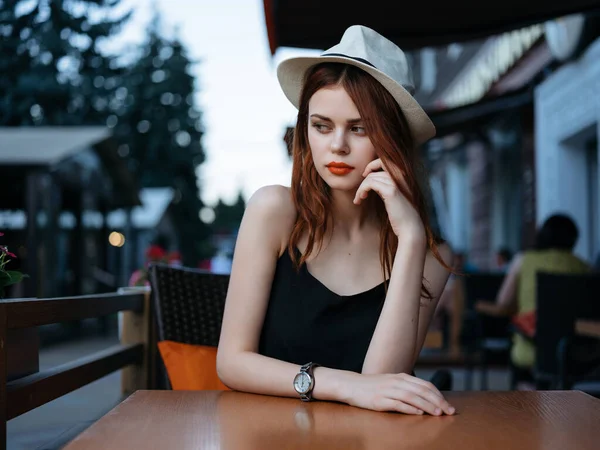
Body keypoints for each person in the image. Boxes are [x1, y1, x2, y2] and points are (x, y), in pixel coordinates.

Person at [216, 25, 455, 416]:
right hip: (265, 434)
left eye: (359, 128)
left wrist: (410, 238)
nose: (337, 145)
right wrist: (344, 384)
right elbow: (231, 362)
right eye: (321, 126)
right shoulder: (274, 211)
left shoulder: (429, 252)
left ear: (392, 139)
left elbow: (384, 382)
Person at [475, 214, 590, 388]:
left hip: (532, 348)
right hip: (574, 351)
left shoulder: (524, 261)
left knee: (521, 360)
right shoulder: (584, 267)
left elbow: (503, 304)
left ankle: (527, 396)